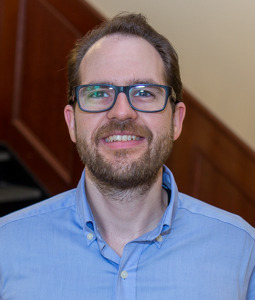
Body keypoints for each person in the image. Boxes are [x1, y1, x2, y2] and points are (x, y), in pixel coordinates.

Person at [0, 13, 254, 300]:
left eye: (145, 92)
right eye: (98, 92)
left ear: (176, 121)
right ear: (72, 122)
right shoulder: (6, 248)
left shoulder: (241, 250)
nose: (121, 112)